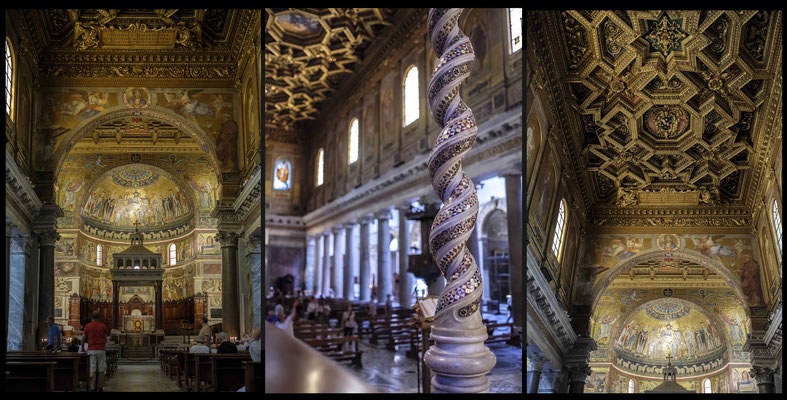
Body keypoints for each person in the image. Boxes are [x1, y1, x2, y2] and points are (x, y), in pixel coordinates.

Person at [82, 310, 108, 392]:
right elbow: (106, 338)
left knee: (92, 370)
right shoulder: (103, 326)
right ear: (99, 317)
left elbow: (83, 338)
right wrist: (103, 345)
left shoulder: (87, 326)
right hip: (101, 349)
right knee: (101, 370)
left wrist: (83, 348)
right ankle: (100, 387)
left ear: (91, 317)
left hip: (91, 349)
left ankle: (92, 388)